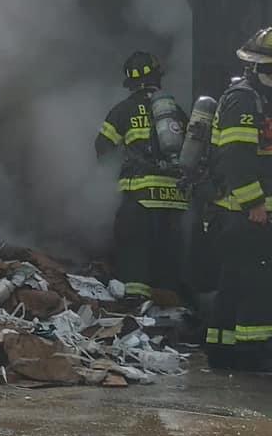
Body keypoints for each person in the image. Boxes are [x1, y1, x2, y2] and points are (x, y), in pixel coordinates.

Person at [95, 51, 188, 302]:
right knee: (168, 254)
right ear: (158, 77)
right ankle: (171, 307)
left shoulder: (123, 111)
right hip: (175, 200)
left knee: (134, 253)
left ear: (131, 83)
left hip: (140, 198)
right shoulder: (175, 112)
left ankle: (137, 310)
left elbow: (102, 148)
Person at [205, 28, 272, 370]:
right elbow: (236, 159)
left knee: (234, 282)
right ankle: (252, 354)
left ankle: (222, 352)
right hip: (243, 214)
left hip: (245, 215)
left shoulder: (260, 99)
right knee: (256, 284)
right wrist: (254, 204)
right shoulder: (244, 100)